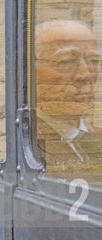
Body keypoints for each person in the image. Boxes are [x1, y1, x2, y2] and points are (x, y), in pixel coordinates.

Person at [35, 20, 102, 179]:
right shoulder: (28, 146)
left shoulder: (96, 136)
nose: (85, 75)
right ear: (30, 74)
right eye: (65, 62)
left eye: (94, 61)